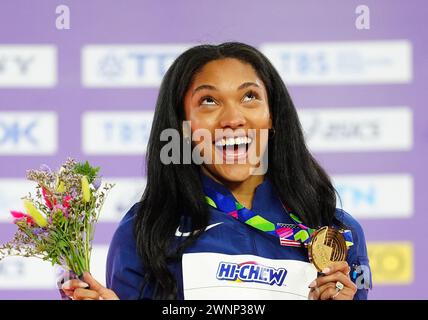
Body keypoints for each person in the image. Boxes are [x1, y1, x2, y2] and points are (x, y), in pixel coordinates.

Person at [62, 42, 371, 300]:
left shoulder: (338, 233)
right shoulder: (145, 231)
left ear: (272, 115)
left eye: (249, 96)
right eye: (209, 101)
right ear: (182, 127)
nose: (233, 118)